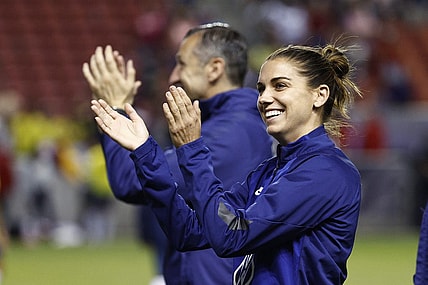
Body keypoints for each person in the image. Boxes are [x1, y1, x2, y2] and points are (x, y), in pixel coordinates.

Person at [91, 41, 363, 284]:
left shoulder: (325, 171)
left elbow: (232, 235)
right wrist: (144, 152)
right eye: (261, 88)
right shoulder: (270, 171)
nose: (265, 98)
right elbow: (189, 232)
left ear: (320, 95)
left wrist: (192, 149)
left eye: (280, 85)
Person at [83, 23, 273, 284]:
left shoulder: (232, 133)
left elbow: (129, 182)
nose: (173, 76)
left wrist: (115, 109)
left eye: (181, 64)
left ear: (215, 68)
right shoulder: (227, 125)